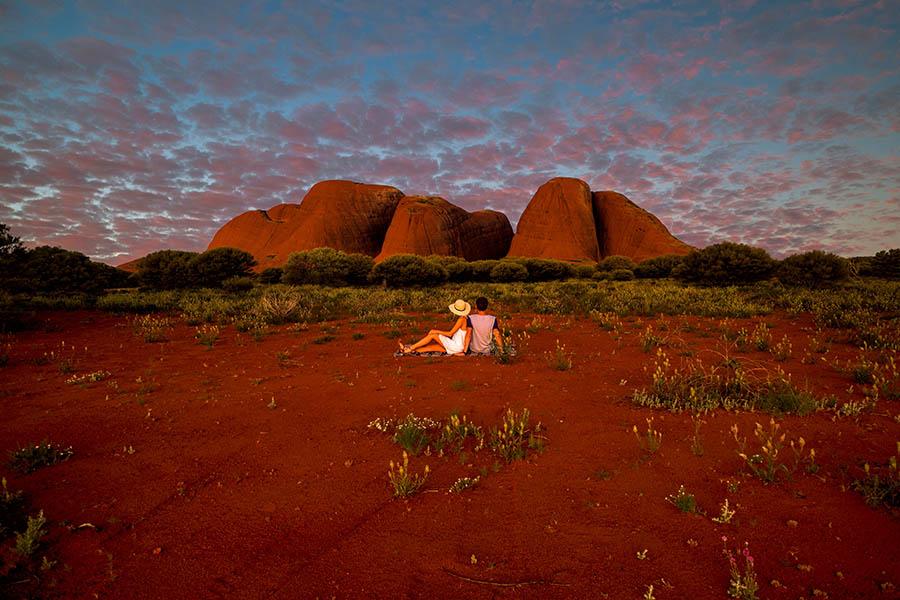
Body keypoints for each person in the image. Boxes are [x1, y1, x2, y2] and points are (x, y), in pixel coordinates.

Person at [398, 299, 470, 355]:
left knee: (433, 335)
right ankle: (406, 350)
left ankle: (411, 348)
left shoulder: (462, 319)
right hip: (456, 346)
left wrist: (436, 331)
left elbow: (450, 334)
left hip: (456, 346)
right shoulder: (464, 318)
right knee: (429, 348)